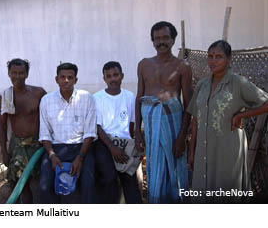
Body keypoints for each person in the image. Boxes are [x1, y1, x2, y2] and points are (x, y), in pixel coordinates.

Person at [187, 40, 268, 203]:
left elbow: (266, 102)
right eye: (210, 56)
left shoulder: (238, 83)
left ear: (229, 59)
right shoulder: (202, 85)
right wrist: (191, 150)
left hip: (228, 150)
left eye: (219, 56)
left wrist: (241, 116)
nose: (213, 60)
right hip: (203, 150)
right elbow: (195, 118)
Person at [135, 21, 192, 203]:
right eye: (157, 38)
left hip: (173, 126)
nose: (161, 42)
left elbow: (188, 104)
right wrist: (137, 131)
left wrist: (182, 137)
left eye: (165, 37)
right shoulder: (144, 65)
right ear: (152, 41)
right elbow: (139, 97)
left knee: (175, 166)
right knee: (155, 165)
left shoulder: (182, 67)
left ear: (173, 40)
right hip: (151, 126)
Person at [38, 62, 97, 204]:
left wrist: (80, 157)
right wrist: (52, 155)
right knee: (44, 187)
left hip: (81, 148)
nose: (66, 80)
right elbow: (44, 133)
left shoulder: (87, 98)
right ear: (56, 79)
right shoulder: (46, 101)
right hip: (56, 149)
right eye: (62, 77)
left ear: (76, 80)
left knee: (88, 184)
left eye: (70, 77)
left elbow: (89, 133)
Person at [0, 58, 46, 203]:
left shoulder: (38, 93)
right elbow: (2, 126)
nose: (17, 76)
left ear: (27, 74)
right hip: (17, 147)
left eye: (21, 73)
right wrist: (4, 152)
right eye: (14, 73)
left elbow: (49, 118)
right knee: (21, 187)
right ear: (8, 74)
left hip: (37, 146)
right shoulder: (6, 97)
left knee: (37, 185)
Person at [93, 61, 142, 204]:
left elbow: (132, 124)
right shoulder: (97, 98)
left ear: (122, 76)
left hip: (124, 142)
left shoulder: (130, 97)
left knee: (129, 179)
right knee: (109, 178)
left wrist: (130, 145)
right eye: (108, 76)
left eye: (115, 75)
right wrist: (112, 148)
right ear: (104, 79)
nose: (112, 79)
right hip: (104, 142)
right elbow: (98, 127)